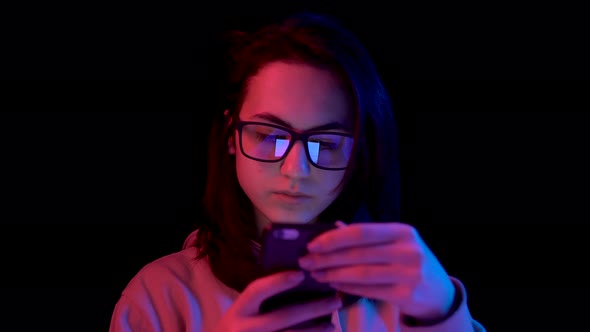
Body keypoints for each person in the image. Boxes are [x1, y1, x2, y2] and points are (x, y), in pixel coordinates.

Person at [109, 11, 486, 332]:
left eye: (326, 143)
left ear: (360, 151)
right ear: (230, 135)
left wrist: (444, 313)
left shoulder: (409, 296)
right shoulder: (158, 297)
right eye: (270, 136)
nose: (296, 169)